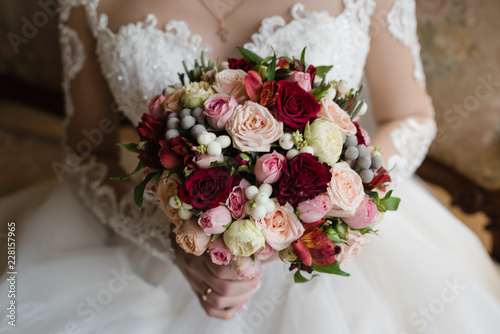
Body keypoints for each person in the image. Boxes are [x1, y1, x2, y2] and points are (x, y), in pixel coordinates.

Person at [1, 0, 500, 333]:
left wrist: (333, 210)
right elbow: (88, 153)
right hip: (159, 230)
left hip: (340, 242)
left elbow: (409, 117)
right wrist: (180, 245)